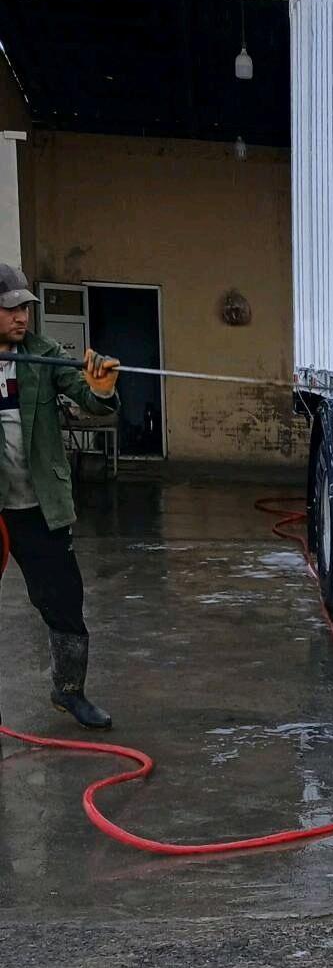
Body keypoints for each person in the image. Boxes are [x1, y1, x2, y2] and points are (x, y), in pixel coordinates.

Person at [0, 264, 121, 729]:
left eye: (25, 309)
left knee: (64, 600)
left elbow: (90, 402)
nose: (21, 318)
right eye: (11, 309)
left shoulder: (43, 355)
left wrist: (101, 388)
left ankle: (69, 692)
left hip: (38, 506)